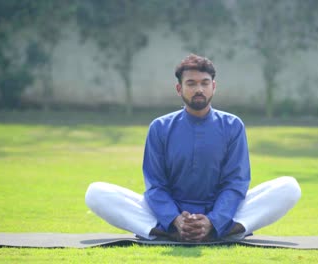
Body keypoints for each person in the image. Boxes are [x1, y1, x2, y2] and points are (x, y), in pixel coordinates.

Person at [85, 54, 301, 242]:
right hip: (169, 215)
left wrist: (213, 220)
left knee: (289, 187)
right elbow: (156, 185)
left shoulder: (233, 125)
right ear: (179, 88)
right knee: (96, 192)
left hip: (222, 214)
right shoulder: (160, 127)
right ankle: (171, 232)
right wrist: (175, 220)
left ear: (213, 87)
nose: (199, 89)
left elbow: (235, 183)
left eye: (205, 83)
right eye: (191, 83)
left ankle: (217, 231)